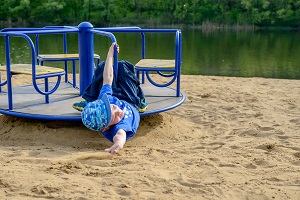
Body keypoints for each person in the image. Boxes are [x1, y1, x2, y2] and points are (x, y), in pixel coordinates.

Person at [73, 42, 147, 155]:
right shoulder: (118, 127)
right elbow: (120, 135)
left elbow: (108, 77)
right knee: (124, 66)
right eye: (114, 115)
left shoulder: (108, 100)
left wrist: (110, 54)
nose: (117, 110)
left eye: (111, 107)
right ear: (106, 128)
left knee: (103, 67)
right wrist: (119, 144)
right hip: (131, 100)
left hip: (117, 98)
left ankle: (91, 99)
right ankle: (140, 99)